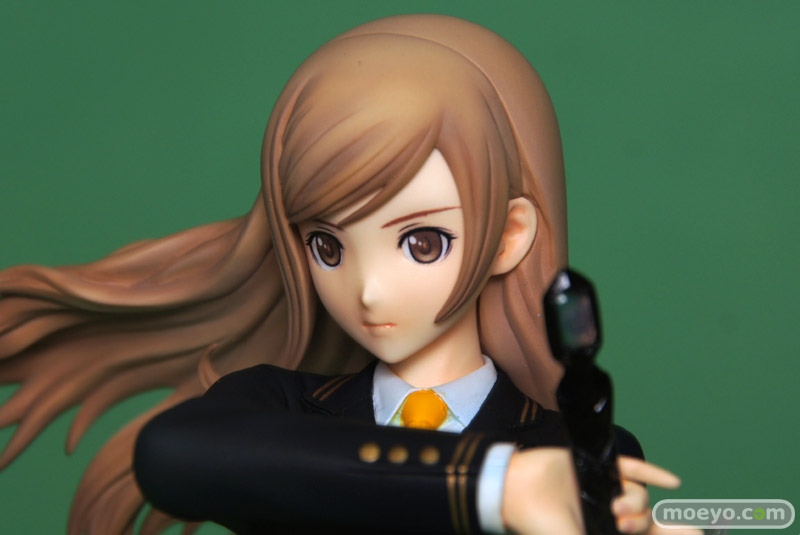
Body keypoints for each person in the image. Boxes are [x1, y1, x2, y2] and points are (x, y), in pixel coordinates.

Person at [0, 14, 695, 535]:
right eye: (328, 247)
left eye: (422, 241)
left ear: (509, 235)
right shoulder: (281, 407)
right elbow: (172, 452)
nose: (367, 290)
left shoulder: (569, 447)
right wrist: (494, 485)